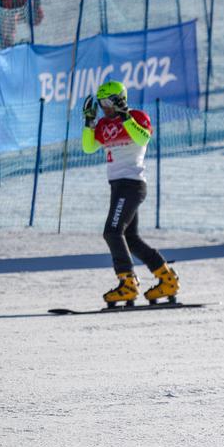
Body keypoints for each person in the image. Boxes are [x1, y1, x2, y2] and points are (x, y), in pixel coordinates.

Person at [82, 80, 180, 307]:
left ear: (120, 100)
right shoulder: (104, 125)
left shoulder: (136, 116)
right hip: (118, 186)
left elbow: (143, 138)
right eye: (100, 103)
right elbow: (88, 147)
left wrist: (126, 116)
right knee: (131, 239)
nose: (104, 107)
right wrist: (89, 121)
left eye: (107, 101)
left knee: (112, 232)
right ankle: (167, 278)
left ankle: (127, 283)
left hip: (131, 185)